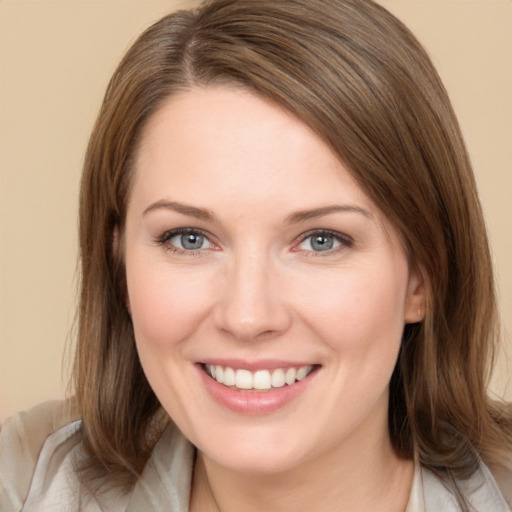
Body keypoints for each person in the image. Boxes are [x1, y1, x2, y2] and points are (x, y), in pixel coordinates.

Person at [1, 0, 511, 510]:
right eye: (189, 238)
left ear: (422, 277)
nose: (247, 316)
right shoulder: (23, 481)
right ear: (120, 265)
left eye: (321, 240)